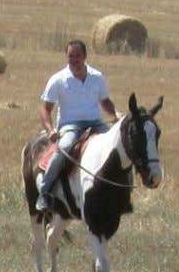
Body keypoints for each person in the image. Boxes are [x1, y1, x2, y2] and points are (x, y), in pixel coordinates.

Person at [35, 39, 119, 213]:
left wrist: (116, 114)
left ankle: (121, 191)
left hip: (96, 123)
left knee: (117, 144)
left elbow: (105, 102)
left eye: (77, 56)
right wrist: (51, 130)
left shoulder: (97, 77)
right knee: (63, 149)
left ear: (85, 56)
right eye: (70, 56)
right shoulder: (58, 79)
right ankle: (44, 192)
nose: (74, 60)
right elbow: (45, 108)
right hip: (70, 126)